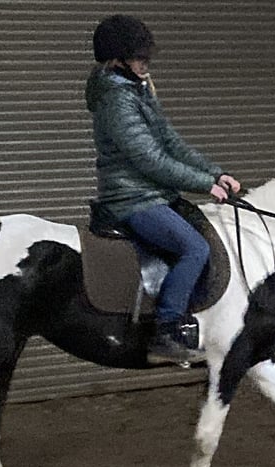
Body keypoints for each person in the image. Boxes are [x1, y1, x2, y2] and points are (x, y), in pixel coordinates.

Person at [85, 14, 241, 363]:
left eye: (146, 57)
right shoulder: (116, 101)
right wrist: (204, 184)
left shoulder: (137, 90)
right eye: (139, 57)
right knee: (195, 249)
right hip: (132, 198)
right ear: (118, 60)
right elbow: (151, 160)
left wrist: (215, 172)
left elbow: (171, 142)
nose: (146, 63)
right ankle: (166, 330)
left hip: (154, 194)